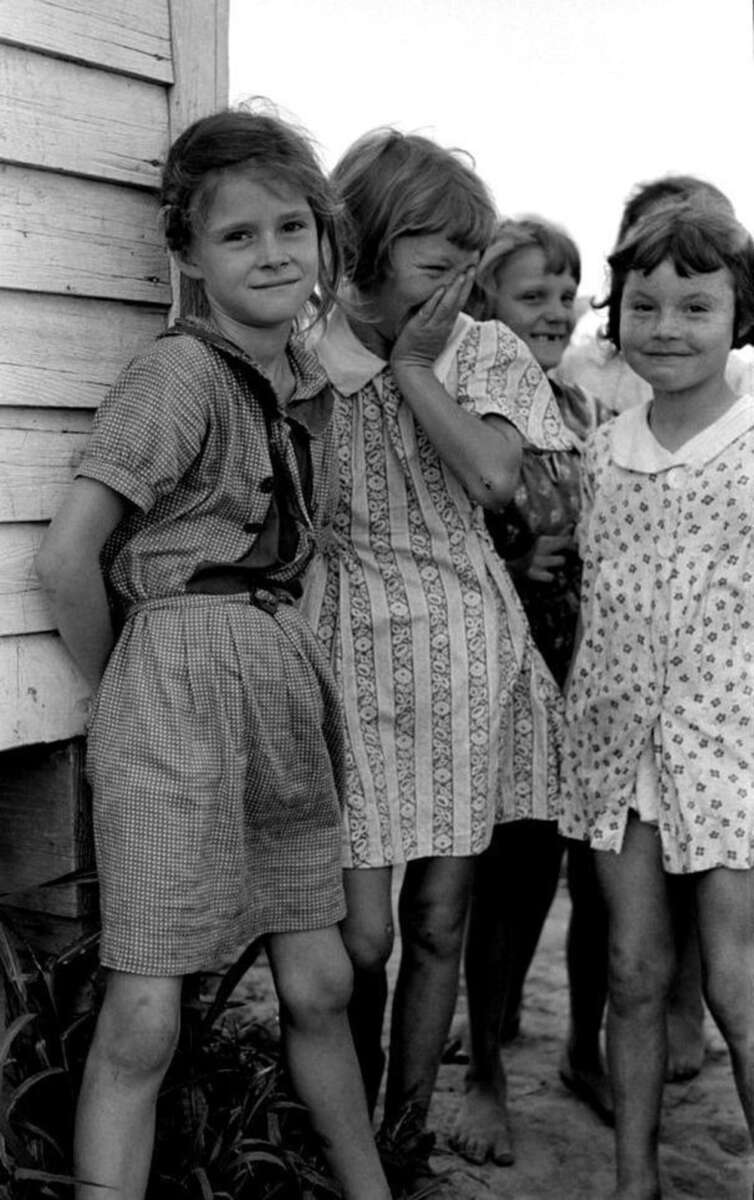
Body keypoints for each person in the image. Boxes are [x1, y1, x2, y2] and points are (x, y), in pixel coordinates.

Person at [35, 107, 391, 1200]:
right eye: (238, 236)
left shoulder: (297, 390)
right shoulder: (179, 375)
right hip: (179, 681)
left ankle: (371, 1190)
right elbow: (68, 558)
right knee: (146, 1014)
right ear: (185, 253)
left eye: (294, 227)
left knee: (322, 980)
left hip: (278, 687)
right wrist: (131, 691)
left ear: (326, 243)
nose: (274, 253)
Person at [301, 129, 571, 1195]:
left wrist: (415, 364)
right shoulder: (305, 347)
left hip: (463, 647)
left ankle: (402, 1137)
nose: (459, 280)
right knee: (360, 934)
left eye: (470, 259)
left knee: (437, 916)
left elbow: (496, 480)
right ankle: (347, 1117)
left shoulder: (483, 349)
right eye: (435, 255)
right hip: (342, 648)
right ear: (366, 240)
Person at [562, 201, 754, 1200]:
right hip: (616, 737)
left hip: (732, 738)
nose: (667, 326)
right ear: (617, 313)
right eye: (645, 304)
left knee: (735, 980)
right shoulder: (602, 448)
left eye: (696, 304)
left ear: (740, 316)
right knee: (632, 970)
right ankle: (634, 1178)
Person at [448, 217, 613, 1169]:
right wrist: (518, 556)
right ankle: (485, 1079)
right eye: (530, 295)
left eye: (566, 292)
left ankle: (584, 1053)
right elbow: (444, 532)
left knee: (592, 877)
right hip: (511, 669)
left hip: (587, 670)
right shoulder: (469, 407)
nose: (554, 311)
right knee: (507, 878)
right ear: (483, 305)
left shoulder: (581, 410)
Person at [557, 174, 753, 415]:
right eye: (651, 232)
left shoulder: (744, 383)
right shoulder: (578, 368)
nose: (665, 329)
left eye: (695, 308)